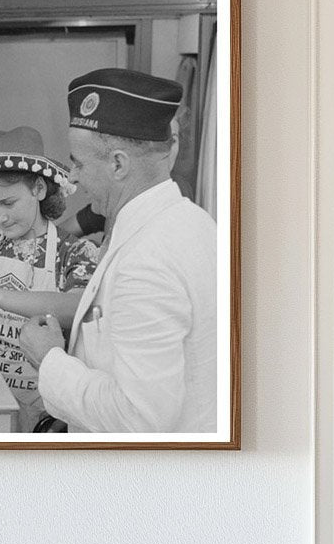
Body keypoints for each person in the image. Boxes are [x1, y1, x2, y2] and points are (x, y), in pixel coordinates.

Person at [20, 68, 217, 434]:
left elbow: (139, 417)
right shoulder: (194, 224)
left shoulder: (147, 261)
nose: (73, 178)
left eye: (78, 162)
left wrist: (49, 360)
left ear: (118, 164)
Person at [0, 127, 100, 431]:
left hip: (49, 419)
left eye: (8, 203)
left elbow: (79, 307)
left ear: (38, 189)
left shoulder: (75, 253)